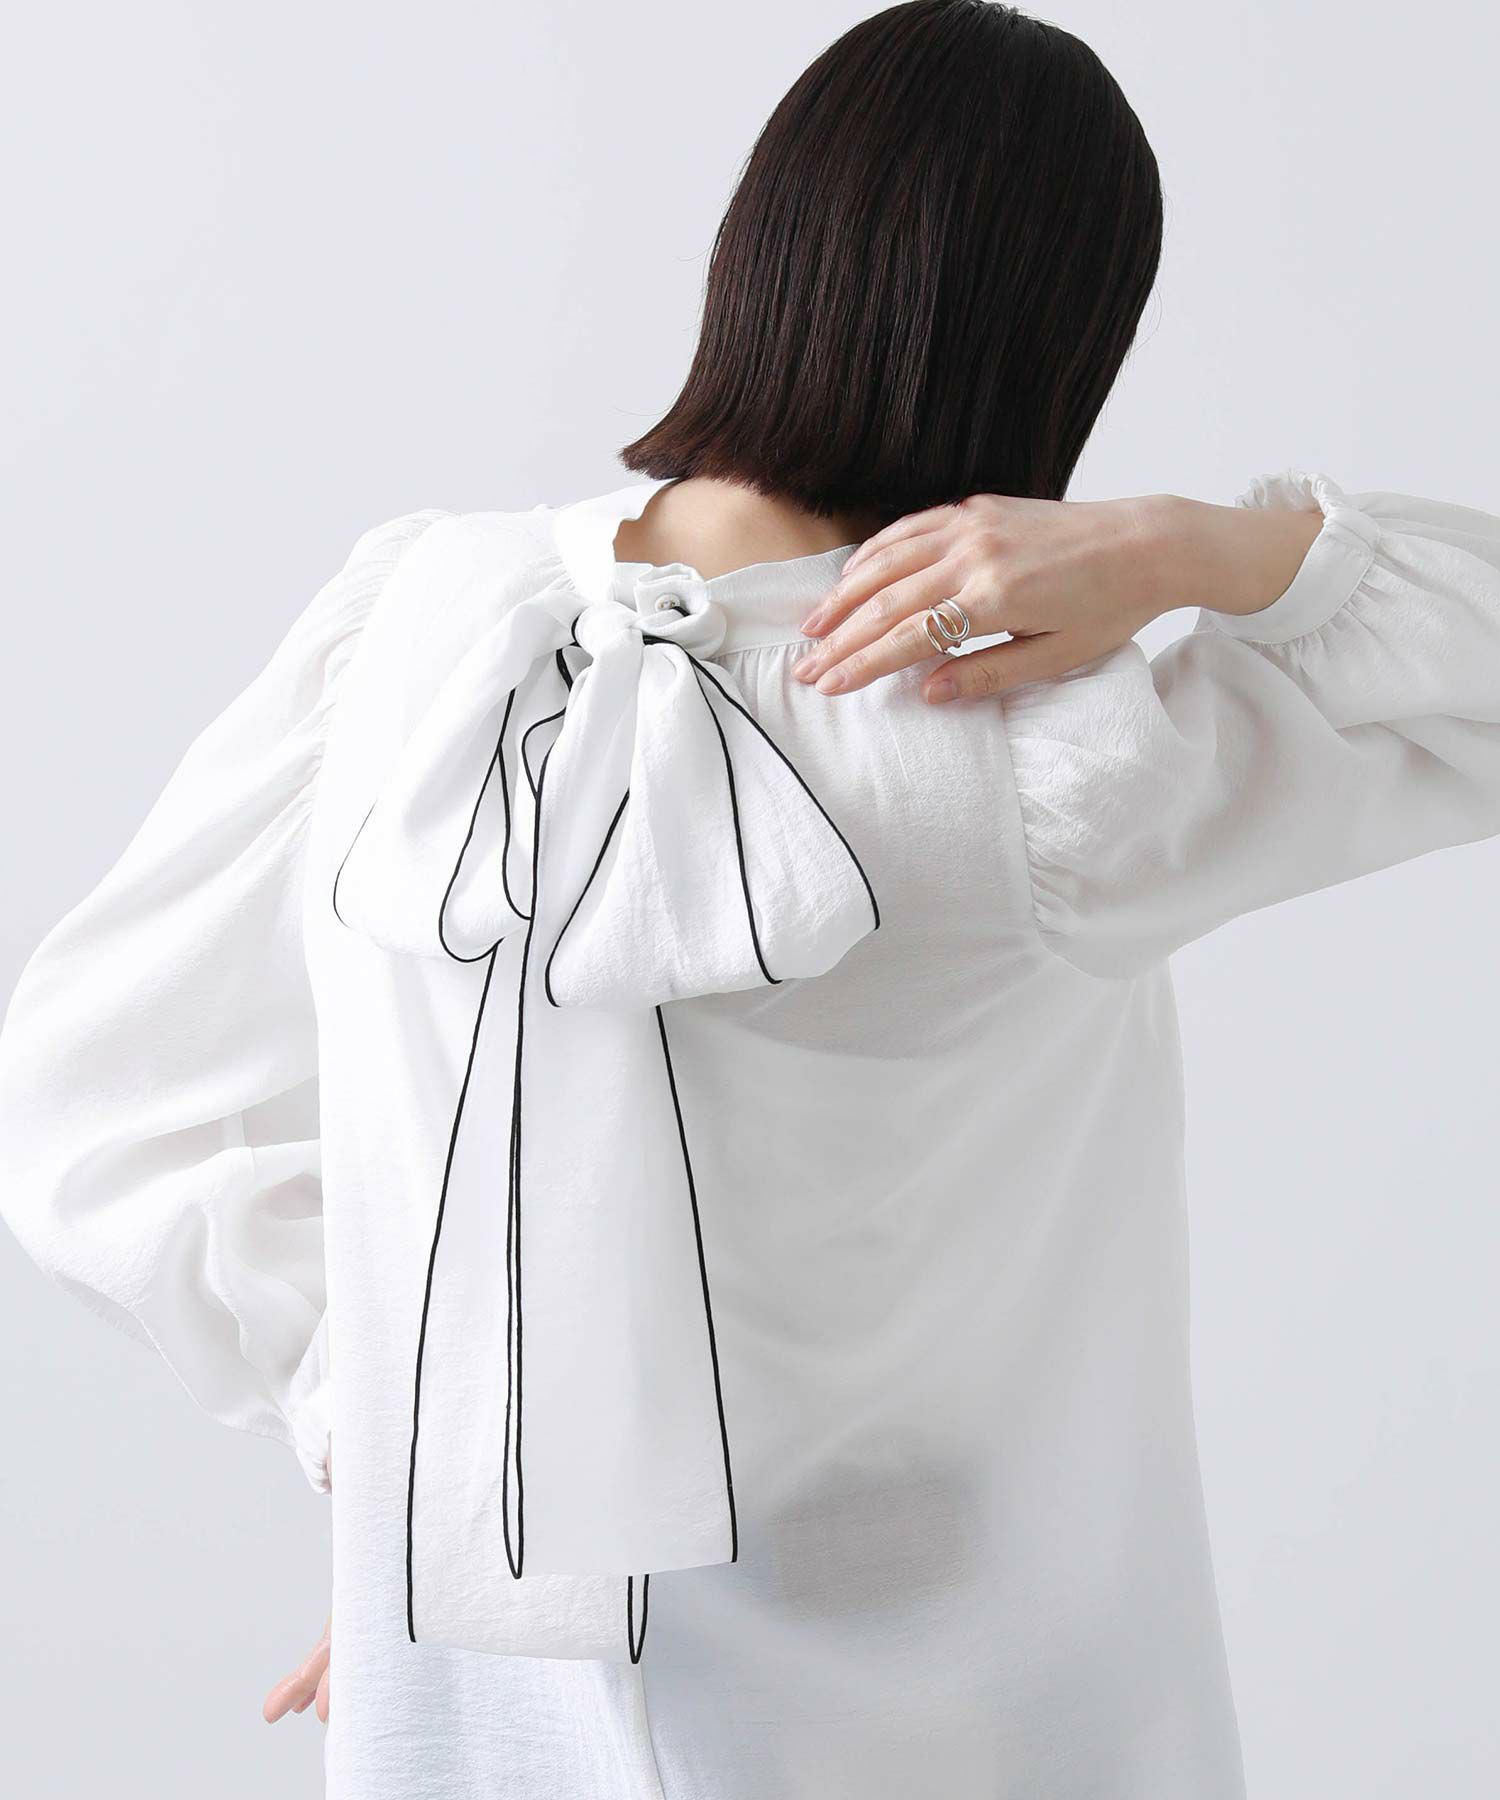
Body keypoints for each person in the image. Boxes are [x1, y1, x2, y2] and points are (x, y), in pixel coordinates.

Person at [2, 3, 1497, 1796]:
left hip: (481, 1705)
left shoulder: (417, 627)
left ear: (760, 250)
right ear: (1069, 336)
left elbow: (85, 1105)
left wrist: (444, 1455)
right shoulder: (1051, 752)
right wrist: (1197, 544)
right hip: (950, 1710)